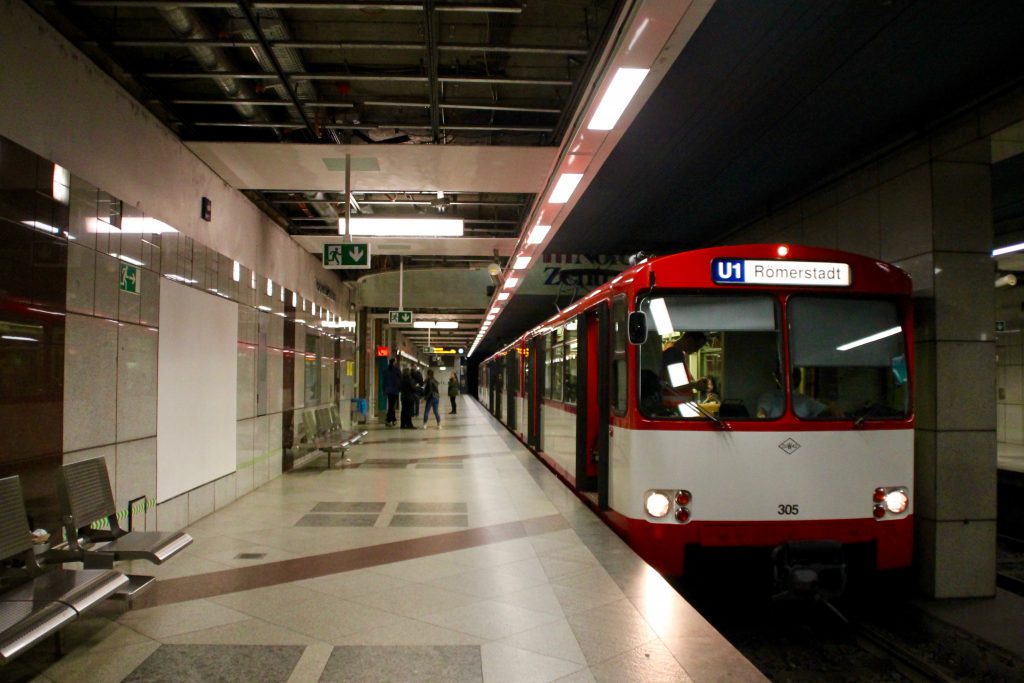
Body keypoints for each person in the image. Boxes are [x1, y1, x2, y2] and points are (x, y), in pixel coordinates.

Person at [660, 331, 711, 402]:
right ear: (689, 340)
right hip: (673, 405)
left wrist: (696, 384)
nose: (696, 350)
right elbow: (674, 386)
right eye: (697, 346)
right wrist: (695, 385)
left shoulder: (673, 350)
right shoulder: (674, 353)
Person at [757, 368, 829, 418]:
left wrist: (829, 403)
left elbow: (826, 411)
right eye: (781, 377)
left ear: (797, 379)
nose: (786, 380)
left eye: (791, 378)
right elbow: (762, 412)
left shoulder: (806, 400)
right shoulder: (769, 396)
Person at [382, 357, 401, 427]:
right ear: (393, 362)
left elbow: (384, 381)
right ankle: (389, 419)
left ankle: (392, 419)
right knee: (392, 406)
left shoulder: (385, 370)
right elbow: (400, 379)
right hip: (395, 390)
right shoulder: (397, 370)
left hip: (388, 390)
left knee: (391, 405)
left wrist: (384, 390)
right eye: (395, 361)